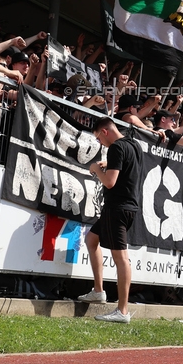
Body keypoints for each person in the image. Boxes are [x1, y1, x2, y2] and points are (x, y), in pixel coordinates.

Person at [79, 118, 141, 323]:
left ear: (105, 131)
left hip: (118, 208)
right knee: (91, 240)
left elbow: (110, 182)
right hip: (123, 207)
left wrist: (97, 169)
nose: (99, 144)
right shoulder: (133, 144)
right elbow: (126, 168)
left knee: (121, 258)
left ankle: (122, 311)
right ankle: (98, 291)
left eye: (98, 138)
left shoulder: (116, 148)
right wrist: (107, 164)